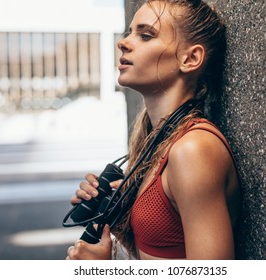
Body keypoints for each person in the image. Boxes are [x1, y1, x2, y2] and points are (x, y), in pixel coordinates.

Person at [66, 0, 240, 260]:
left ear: (190, 58)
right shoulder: (156, 144)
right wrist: (117, 221)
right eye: (130, 31)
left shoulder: (192, 150)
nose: (123, 42)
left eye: (146, 35)